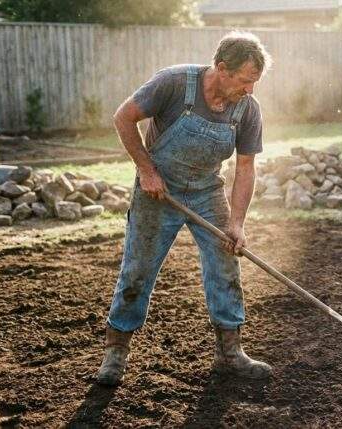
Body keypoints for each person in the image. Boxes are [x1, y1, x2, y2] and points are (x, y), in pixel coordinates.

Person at [96, 32, 272, 386]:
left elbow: (245, 168)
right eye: (244, 81)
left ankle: (230, 352)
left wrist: (236, 223)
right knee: (138, 269)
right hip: (158, 189)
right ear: (222, 69)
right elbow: (123, 117)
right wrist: (146, 171)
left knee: (226, 263)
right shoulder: (174, 84)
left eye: (254, 82)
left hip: (207, 191)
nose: (249, 90)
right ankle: (115, 354)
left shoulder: (247, 110)